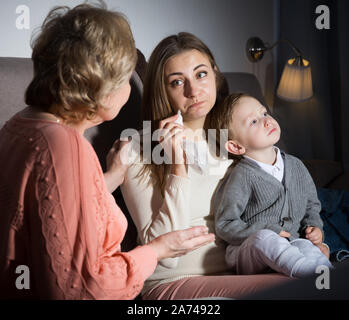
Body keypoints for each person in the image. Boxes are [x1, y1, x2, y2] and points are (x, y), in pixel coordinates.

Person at [0, 4, 215, 300]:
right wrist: (155, 250)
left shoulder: (19, 125)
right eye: (127, 78)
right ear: (102, 89)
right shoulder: (65, 145)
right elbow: (81, 287)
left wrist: (111, 177)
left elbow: (53, 211)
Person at [120, 32, 292, 300]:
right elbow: (166, 260)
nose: (193, 90)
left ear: (215, 74)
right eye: (177, 82)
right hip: (173, 283)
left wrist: (306, 237)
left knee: (310, 276)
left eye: (201, 75)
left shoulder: (234, 136)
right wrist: (178, 166)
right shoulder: (136, 148)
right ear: (162, 90)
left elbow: (270, 204)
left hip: (242, 270)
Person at [211, 93, 333, 278]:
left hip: (292, 242)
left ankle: (328, 280)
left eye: (264, 113)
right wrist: (268, 228)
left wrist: (315, 228)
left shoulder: (296, 165)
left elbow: (311, 206)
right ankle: (307, 274)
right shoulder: (242, 175)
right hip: (250, 250)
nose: (266, 121)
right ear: (236, 147)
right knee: (265, 238)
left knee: (307, 248)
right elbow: (225, 224)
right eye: (253, 122)